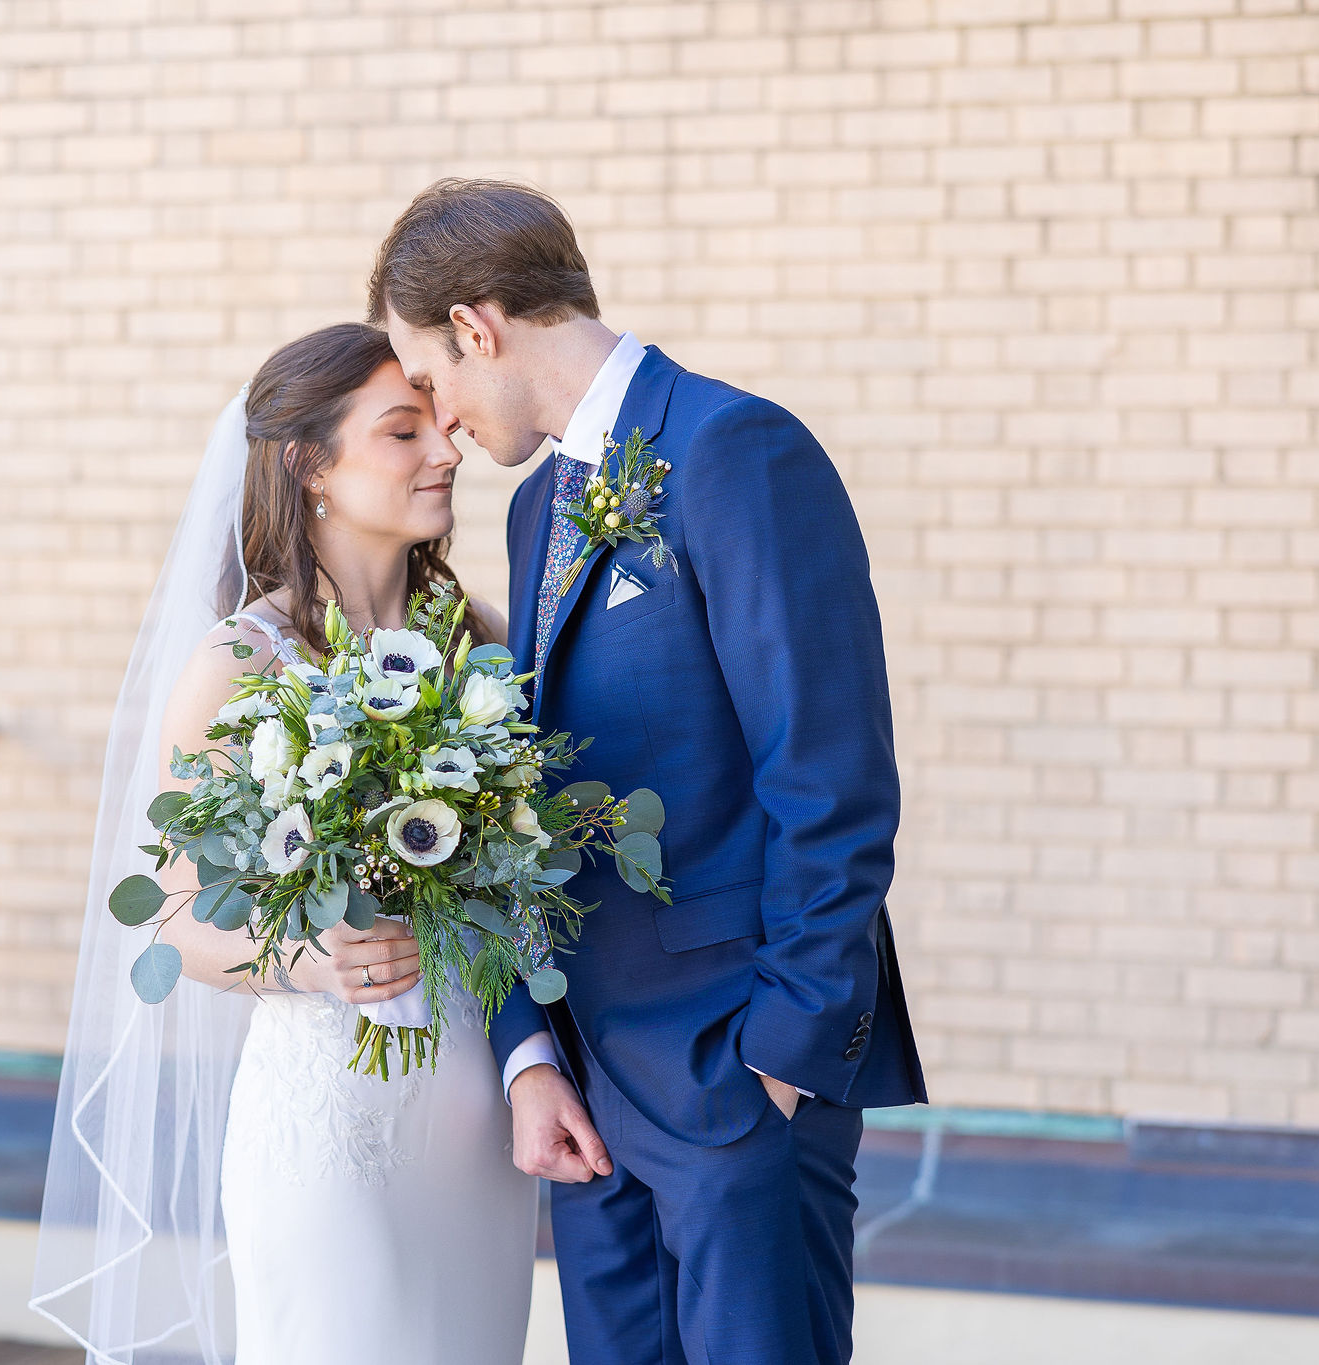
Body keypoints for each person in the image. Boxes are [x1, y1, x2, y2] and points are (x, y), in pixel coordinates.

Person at [371, 179, 929, 1365]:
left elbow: (829, 783)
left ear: (477, 327)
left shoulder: (736, 451)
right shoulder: (535, 514)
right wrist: (532, 1047)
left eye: (431, 380)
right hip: (589, 1101)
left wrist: (777, 1062)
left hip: (735, 1074)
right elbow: (512, 803)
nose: (444, 420)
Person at [31, 322, 536, 1365]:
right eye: (402, 433)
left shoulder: (483, 644)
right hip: (327, 1124)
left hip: (475, 1128)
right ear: (309, 466)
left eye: (437, 426)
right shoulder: (236, 667)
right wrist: (304, 955)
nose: (444, 451)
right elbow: (163, 921)